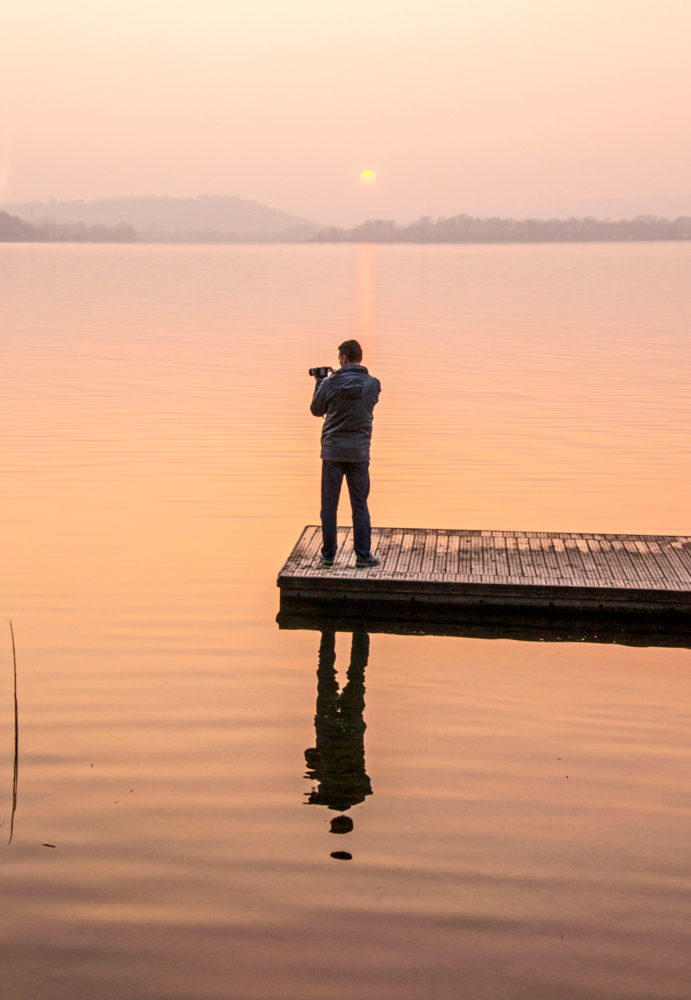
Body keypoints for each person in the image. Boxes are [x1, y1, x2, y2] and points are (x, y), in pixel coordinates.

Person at [310, 340, 381, 568]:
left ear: (343, 359)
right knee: (359, 505)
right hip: (359, 453)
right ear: (360, 357)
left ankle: (328, 555)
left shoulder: (330, 384)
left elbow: (316, 410)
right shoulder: (373, 385)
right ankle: (363, 556)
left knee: (329, 506)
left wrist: (320, 383)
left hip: (332, 453)